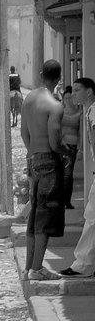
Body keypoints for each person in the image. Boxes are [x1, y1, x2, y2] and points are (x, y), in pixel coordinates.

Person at [20, 59, 65, 282]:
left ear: (40, 74)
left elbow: (24, 133)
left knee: (35, 215)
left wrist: (33, 155)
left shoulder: (28, 99)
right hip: (49, 161)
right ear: (58, 78)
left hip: (34, 159)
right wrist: (66, 153)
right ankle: (38, 268)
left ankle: (29, 267)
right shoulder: (55, 105)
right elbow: (55, 141)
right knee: (45, 219)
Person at [62, 77, 95, 277]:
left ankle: (82, 264)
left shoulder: (93, 111)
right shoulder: (88, 112)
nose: (73, 94)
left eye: (77, 90)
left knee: (91, 217)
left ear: (89, 91)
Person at [60, 84, 82, 210]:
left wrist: (80, 148)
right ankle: (60, 200)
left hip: (72, 147)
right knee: (60, 174)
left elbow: (81, 133)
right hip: (60, 146)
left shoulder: (79, 113)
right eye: (65, 98)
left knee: (68, 175)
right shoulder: (59, 111)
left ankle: (67, 201)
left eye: (70, 98)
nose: (68, 100)